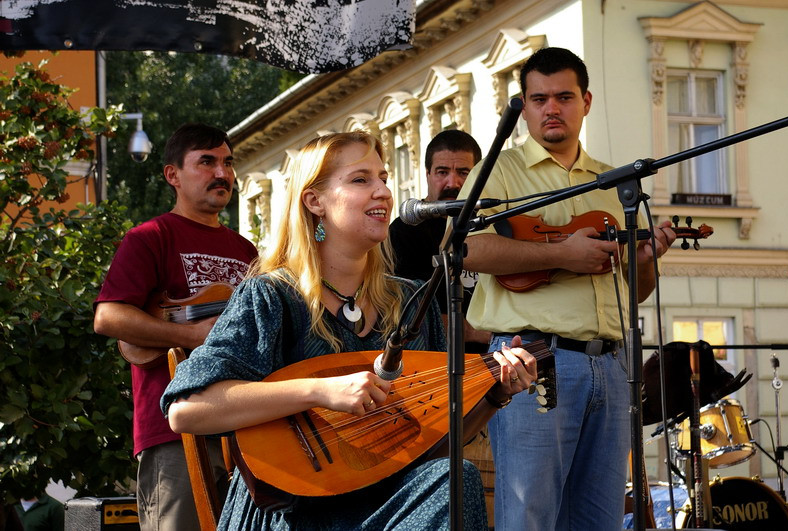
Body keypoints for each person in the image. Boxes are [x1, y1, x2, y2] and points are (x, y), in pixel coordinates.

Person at [160, 131, 538, 530]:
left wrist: (495, 393)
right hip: (291, 510)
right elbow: (188, 410)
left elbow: (436, 443)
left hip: (391, 500)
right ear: (314, 201)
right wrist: (320, 391)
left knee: (455, 477)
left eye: (383, 177)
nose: (383, 192)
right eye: (361, 179)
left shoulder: (412, 302)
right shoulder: (272, 296)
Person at [456, 47, 677, 530]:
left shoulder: (615, 182)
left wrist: (644, 263)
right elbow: (466, 250)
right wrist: (561, 254)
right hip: (535, 362)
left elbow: (632, 292)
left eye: (563, 97)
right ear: (523, 105)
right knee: (530, 517)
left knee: (599, 520)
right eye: (538, 99)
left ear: (586, 101)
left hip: (612, 364)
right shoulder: (499, 171)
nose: (551, 108)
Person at [94, 123, 259, 530]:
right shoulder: (150, 237)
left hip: (242, 426)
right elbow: (108, 316)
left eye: (227, 163)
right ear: (173, 175)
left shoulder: (246, 250)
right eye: (206, 162)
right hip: (173, 429)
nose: (222, 174)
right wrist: (191, 335)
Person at [389, 129, 490, 352]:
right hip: (436, 361)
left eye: (464, 172)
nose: (452, 183)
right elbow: (411, 314)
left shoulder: (491, 223)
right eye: (442, 172)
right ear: (427, 174)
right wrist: (477, 332)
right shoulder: (404, 231)